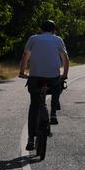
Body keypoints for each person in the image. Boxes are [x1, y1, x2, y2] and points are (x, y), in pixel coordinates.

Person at [19, 20, 69, 151]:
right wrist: (65, 75)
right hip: (52, 78)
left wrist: (22, 72)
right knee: (59, 85)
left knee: (34, 106)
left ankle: (30, 139)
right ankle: (53, 113)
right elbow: (65, 59)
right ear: (54, 30)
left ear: (41, 29)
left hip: (35, 77)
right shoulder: (58, 40)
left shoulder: (33, 39)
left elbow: (25, 56)